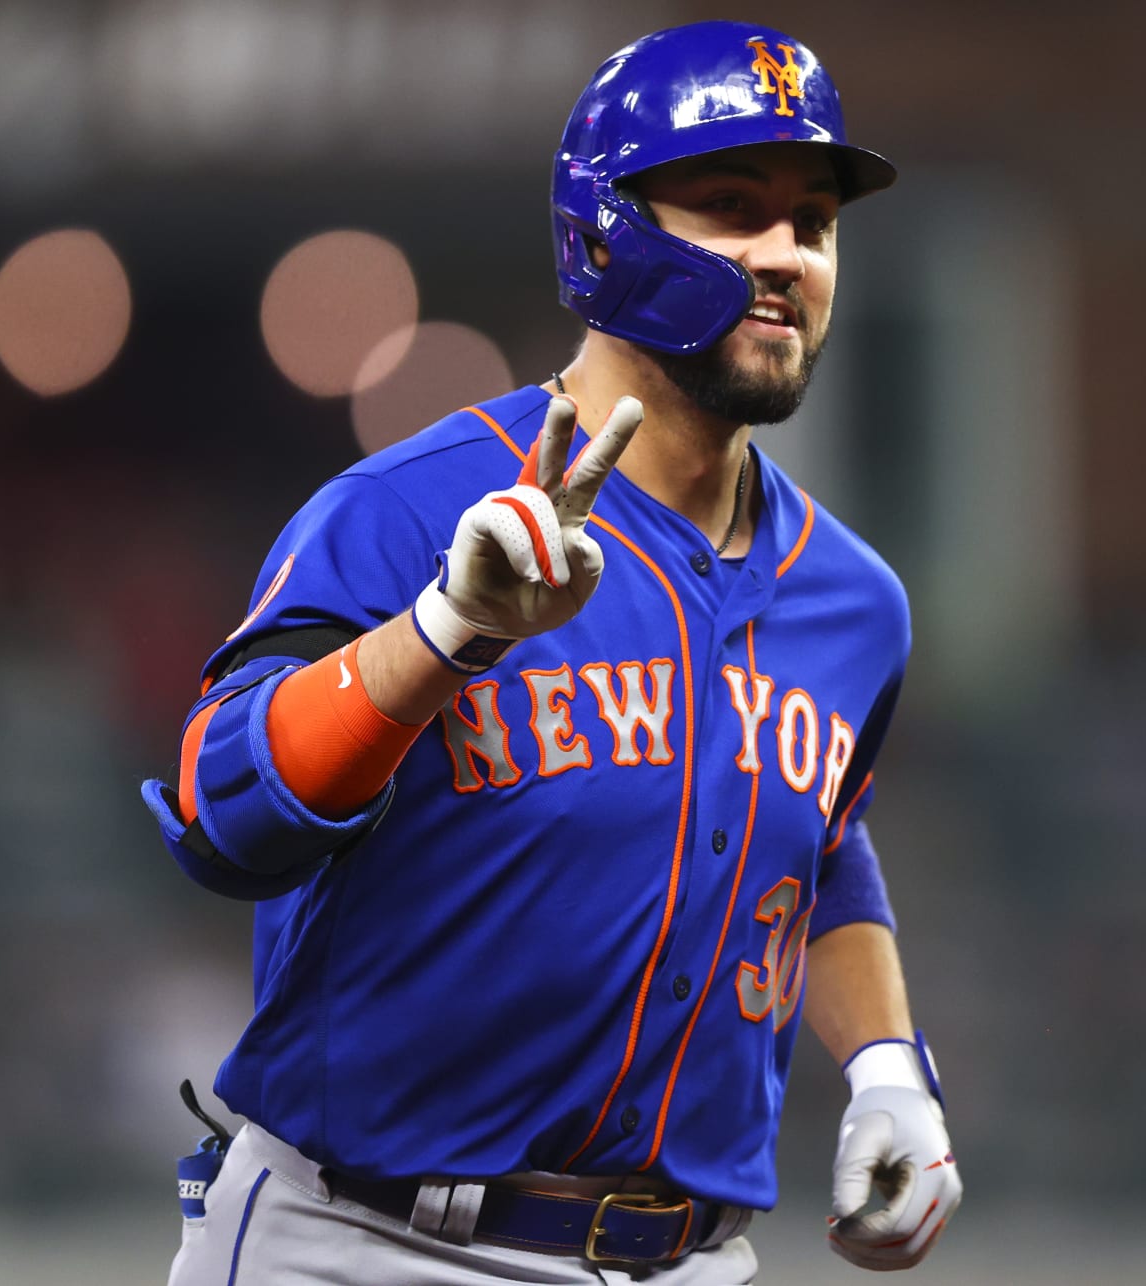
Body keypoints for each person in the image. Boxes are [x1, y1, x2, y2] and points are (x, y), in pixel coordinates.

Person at [142, 20, 960, 1284]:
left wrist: (888, 1070)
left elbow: (821, 838)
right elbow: (220, 813)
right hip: (367, 1239)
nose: (785, 256)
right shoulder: (411, 510)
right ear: (604, 228)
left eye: (813, 222)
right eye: (731, 207)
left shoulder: (855, 602)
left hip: (688, 1258)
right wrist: (441, 636)